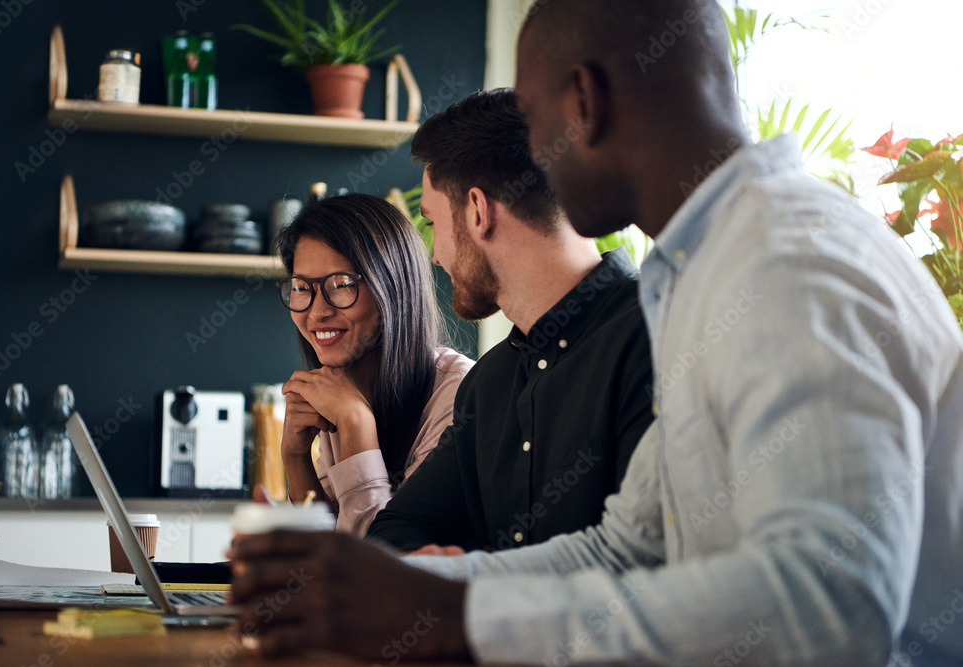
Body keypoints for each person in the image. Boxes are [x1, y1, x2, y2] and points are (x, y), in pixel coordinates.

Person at [228, 1, 963, 665]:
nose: (532, 158)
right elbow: (625, 548)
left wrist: (457, 613)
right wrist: (393, 585)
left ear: (583, 102)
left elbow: (831, 611)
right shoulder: (701, 274)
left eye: (534, 120)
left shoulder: (784, 259)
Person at [365, 87, 654, 553]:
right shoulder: (489, 383)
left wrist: (468, 581)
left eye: (433, 224)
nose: (434, 255)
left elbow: (639, 561)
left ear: (478, 212)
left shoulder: (656, 336)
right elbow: (395, 530)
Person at [270, 193, 473, 536]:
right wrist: (295, 456)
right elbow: (324, 553)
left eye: (342, 285)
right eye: (302, 288)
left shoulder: (461, 396)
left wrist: (355, 425)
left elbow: (382, 565)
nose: (316, 312)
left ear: (393, 287)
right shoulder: (341, 390)